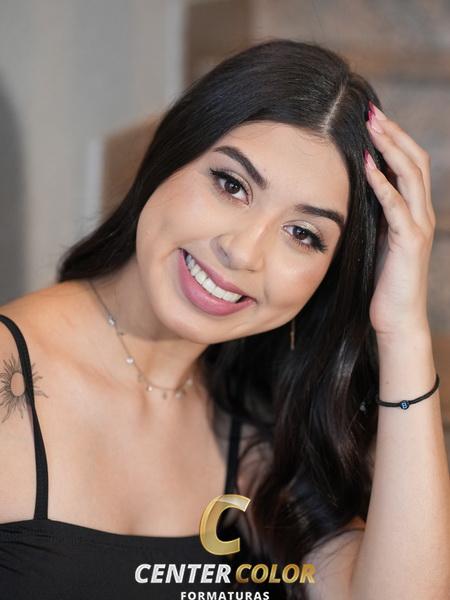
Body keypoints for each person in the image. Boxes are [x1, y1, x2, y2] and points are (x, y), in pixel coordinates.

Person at [0, 38, 448, 600]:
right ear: (172, 154)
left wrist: (403, 329)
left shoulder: (260, 439)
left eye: (302, 234)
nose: (243, 252)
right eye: (232, 185)